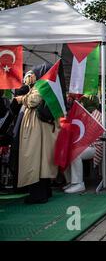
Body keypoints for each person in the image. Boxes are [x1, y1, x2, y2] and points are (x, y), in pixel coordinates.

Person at [16, 63, 61, 204]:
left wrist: (21, 99)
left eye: (35, 73)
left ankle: (38, 195)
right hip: (44, 128)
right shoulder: (51, 84)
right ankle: (45, 192)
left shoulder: (43, 84)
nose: (33, 76)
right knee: (43, 161)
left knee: (34, 159)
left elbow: (33, 100)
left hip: (37, 128)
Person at [63, 95, 101, 194]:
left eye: (84, 101)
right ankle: (71, 181)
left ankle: (78, 183)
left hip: (95, 146)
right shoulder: (85, 114)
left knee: (75, 153)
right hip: (85, 144)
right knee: (64, 152)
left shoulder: (96, 114)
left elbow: (91, 134)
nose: (81, 103)